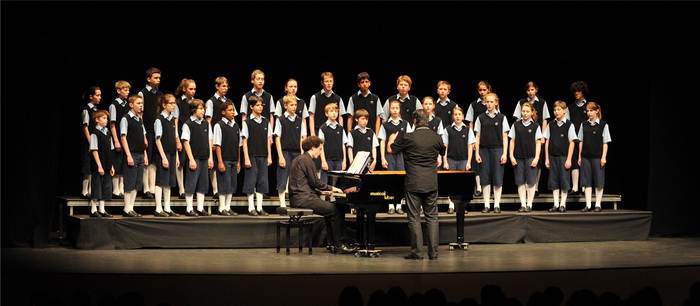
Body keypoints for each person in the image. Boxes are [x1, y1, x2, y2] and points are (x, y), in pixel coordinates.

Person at [388, 109, 445, 260]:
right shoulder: (436, 137)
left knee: (414, 218)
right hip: (431, 182)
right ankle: (433, 253)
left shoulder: (408, 137)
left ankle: (417, 253)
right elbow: (443, 151)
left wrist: (391, 140)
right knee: (432, 218)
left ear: (414, 121)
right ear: (428, 121)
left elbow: (391, 150)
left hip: (413, 182)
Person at [288, 136, 353, 254]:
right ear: (313, 148)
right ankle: (338, 244)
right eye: (320, 149)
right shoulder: (306, 160)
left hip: (300, 197)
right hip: (303, 199)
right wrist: (333, 188)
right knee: (335, 209)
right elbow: (315, 182)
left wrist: (322, 192)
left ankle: (332, 243)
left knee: (333, 209)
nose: (320, 152)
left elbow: (303, 183)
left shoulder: (299, 159)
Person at [512, 81, 550, 196]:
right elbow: (517, 119)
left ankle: (536, 187)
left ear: (536, 90)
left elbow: (544, 119)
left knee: (536, 162)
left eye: (532, 90)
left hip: (537, 134)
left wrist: (543, 135)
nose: (530, 92)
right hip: (524, 135)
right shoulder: (521, 102)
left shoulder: (542, 102)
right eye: (528, 90)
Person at [474, 92, 509, 213]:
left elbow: (505, 136)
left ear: (496, 102)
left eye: (491, 102)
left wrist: (504, 153)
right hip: (484, 150)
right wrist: (477, 153)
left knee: (497, 178)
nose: (488, 104)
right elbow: (477, 137)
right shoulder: (481, 118)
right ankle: (487, 205)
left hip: (497, 149)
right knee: (485, 178)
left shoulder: (502, 118)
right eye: (487, 102)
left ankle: (497, 205)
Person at [181, 99, 214, 217]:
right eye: (200, 108)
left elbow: (210, 140)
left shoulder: (206, 123)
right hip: (194, 158)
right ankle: (189, 208)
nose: (203, 111)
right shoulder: (188, 124)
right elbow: (185, 142)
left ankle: (200, 208)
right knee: (191, 183)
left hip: (204, 157)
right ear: (194, 110)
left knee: (203, 184)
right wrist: (191, 159)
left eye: (203, 108)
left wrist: (210, 157)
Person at [378, 99, 411, 214]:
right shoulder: (385, 125)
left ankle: (399, 206)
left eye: (397, 108)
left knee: (400, 181)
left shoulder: (405, 124)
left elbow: (409, 141)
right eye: (393, 108)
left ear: (399, 109)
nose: (395, 110)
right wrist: (382, 157)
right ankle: (390, 206)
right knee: (389, 180)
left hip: (401, 156)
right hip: (389, 156)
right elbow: (382, 141)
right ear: (389, 109)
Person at [242, 95, 273, 216]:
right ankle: (251, 207)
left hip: (263, 155)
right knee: (251, 181)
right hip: (252, 155)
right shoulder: (247, 122)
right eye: (257, 105)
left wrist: (269, 155)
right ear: (251, 106)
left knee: (262, 182)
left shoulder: (266, 121)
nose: (260, 107)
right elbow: (244, 141)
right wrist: (246, 157)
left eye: (261, 105)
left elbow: (268, 140)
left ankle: (259, 207)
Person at [508, 102, 542, 212]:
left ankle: (529, 204)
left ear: (532, 112)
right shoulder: (516, 125)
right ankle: (523, 204)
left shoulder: (536, 126)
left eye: (527, 111)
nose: (525, 113)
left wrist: (536, 158)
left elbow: (538, 143)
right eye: (523, 111)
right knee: (520, 181)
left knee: (531, 182)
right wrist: (511, 156)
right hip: (518, 157)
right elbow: (512, 141)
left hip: (530, 157)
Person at [274, 94, 307, 208]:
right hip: (285, 151)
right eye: (291, 105)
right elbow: (277, 138)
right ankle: (282, 203)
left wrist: (303, 153)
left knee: (296, 178)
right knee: (283, 176)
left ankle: (295, 202)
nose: (294, 107)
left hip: (296, 152)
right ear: (285, 105)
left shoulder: (299, 120)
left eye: (295, 105)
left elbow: (302, 137)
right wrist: (280, 156)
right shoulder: (281, 120)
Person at [544, 101, 577, 212]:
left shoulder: (569, 125)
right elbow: (547, 141)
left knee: (564, 181)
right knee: (554, 181)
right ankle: (556, 204)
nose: (556, 112)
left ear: (564, 110)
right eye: (555, 110)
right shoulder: (551, 125)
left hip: (564, 157)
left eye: (558, 109)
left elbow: (572, 142)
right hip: (553, 156)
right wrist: (547, 158)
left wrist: (569, 159)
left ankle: (563, 204)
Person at [578, 102, 611, 212]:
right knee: (586, 181)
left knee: (599, 181)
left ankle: (598, 204)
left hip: (597, 157)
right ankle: (588, 204)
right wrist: (579, 156)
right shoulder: (583, 124)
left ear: (597, 111)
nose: (589, 113)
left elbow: (605, 142)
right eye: (587, 111)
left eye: (591, 110)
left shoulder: (603, 125)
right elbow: (581, 141)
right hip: (586, 156)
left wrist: (604, 157)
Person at [442, 107, 475, 214]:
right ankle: (451, 206)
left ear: (463, 116)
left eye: (459, 114)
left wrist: (469, 161)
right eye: (455, 114)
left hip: (464, 160)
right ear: (452, 117)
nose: (457, 116)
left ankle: (462, 207)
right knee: (451, 184)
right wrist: (445, 161)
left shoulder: (468, 129)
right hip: (451, 159)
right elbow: (445, 146)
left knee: (463, 184)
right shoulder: (447, 129)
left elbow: (470, 146)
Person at [119, 95, 148, 217]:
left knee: (137, 183)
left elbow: (142, 139)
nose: (141, 105)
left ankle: (131, 207)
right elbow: (123, 138)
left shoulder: (139, 119)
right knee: (130, 182)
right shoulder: (126, 119)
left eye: (141, 103)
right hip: (132, 154)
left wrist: (145, 154)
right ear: (131, 105)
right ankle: (126, 209)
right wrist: (128, 155)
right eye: (138, 103)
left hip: (141, 153)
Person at [137, 67, 163, 200]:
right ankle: (146, 188)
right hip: (147, 130)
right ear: (149, 79)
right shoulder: (142, 94)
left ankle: (152, 187)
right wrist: (143, 132)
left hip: (157, 130)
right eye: (155, 78)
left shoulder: (160, 94)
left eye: (159, 78)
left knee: (154, 160)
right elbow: (140, 114)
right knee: (146, 160)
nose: (158, 80)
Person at [153, 94, 180, 217]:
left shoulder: (171, 120)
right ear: (164, 105)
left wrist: (177, 156)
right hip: (163, 155)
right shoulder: (160, 120)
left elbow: (174, 139)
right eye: (171, 103)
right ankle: (158, 208)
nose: (174, 105)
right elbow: (158, 140)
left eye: (175, 103)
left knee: (169, 181)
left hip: (172, 153)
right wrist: (163, 157)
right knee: (161, 181)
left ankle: (167, 207)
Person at [205, 76, 233, 198]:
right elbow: (208, 121)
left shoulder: (229, 102)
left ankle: (225, 188)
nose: (225, 88)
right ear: (217, 86)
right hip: (215, 134)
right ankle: (216, 189)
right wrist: (210, 138)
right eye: (223, 86)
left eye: (227, 86)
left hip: (227, 134)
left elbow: (233, 119)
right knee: (215, 163)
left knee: (224, 161)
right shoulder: (211, 102)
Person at [213, 101, 242, 216]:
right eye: (230, 110)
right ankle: (222, 207)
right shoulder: (219, 125)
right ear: (223, 112)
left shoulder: (236, 126)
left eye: (233, 110)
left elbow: (239, 145)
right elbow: (217, 145)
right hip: (224, 159)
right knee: (224, 183)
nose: (232, 112)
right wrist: (220, 162)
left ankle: (228, 206)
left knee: (232, 184)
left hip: (234, 159)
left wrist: (239, 161)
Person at [466, 81, 492, 197]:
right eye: (480, 90)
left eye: (484, 90)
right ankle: (479, 187)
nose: (482, 92)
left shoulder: (493, 104)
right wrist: (472, 139)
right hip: (477, 136)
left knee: (487, 163)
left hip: (490, 137)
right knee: (476, 163)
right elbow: (470, 122)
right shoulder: (473, 105)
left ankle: (488, 186)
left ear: (488, 90)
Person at [89, 110, 115, 218]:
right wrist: (99, 165)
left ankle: (102, 209)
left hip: (107, 164)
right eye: (103, 118)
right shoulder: (95, 133)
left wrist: (112, 165)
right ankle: (93, 209)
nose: (106, 120)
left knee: (106, 187)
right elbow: (94, 150)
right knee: (97, 186)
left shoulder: (108, 132)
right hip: (99, 165)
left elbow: (111, 149)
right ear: (97, 120)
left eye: (106, 118)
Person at [174, 78, 196, 198]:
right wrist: (177, 139)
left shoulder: (195, 103)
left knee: (191, 162)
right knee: (181, 162)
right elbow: (176, 122)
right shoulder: (178, 103)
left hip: (193, 136)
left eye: (194, 89)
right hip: (182, 135)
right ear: (184, 89)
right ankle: (181, 189)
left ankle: (190, 188)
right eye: (191, 89)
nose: (193, 91)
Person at [567, 80, 590, 196]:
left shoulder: (588, 106)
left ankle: (585, 187)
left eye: (579, 91)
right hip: (574, 137)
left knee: (585, 161)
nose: (577, 93)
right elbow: (567, 123)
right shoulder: (570, 107)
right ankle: (575, 187)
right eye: (575, 91)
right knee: (574, 161)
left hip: (587, 138)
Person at [109, 81, 131, 200]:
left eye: (128, 90)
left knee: (124, 164)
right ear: (119, 91)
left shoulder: (127, 105)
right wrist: (116, 140)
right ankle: (115, 190)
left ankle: (121, 189)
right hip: (117, 136)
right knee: (117, 163)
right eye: (125, 90)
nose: (127, 92)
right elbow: (112, 124)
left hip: (126, 138)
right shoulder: (114, 105)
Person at [318, 103, 347, 191]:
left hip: (339, 159)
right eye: (331, 111)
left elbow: (343, 144)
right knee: (325, 182)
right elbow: (320, 146)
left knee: (338, 182)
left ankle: (335, 200)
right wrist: (323, 161)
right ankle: (324, 201)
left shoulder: (341, 128)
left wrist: (344, 160)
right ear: (326, 114)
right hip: (327, 159)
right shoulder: (323, 128)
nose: (334, 113)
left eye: (336, 111)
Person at [81, 86, 102, 199]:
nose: (99, 97)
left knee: (93, 166)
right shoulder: (86, 110)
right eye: (97, 95)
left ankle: (90, 190)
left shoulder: (96, 110)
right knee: (87, 167)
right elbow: (85, 127)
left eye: (100, 95)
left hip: (96, 141)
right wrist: (90, 142)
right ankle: (84, 191)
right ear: (91, 96)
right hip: (89, 142)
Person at [309, 72, 345, 136]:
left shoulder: (338, 99)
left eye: (331, 81)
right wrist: (312, 134)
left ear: (333, 82)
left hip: (334, 130)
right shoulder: (315, 97)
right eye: (326, 81)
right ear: (322, 83)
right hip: (319, 130)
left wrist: (341, 132)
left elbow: (340, 117)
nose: (329, 84)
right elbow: (311, 116)